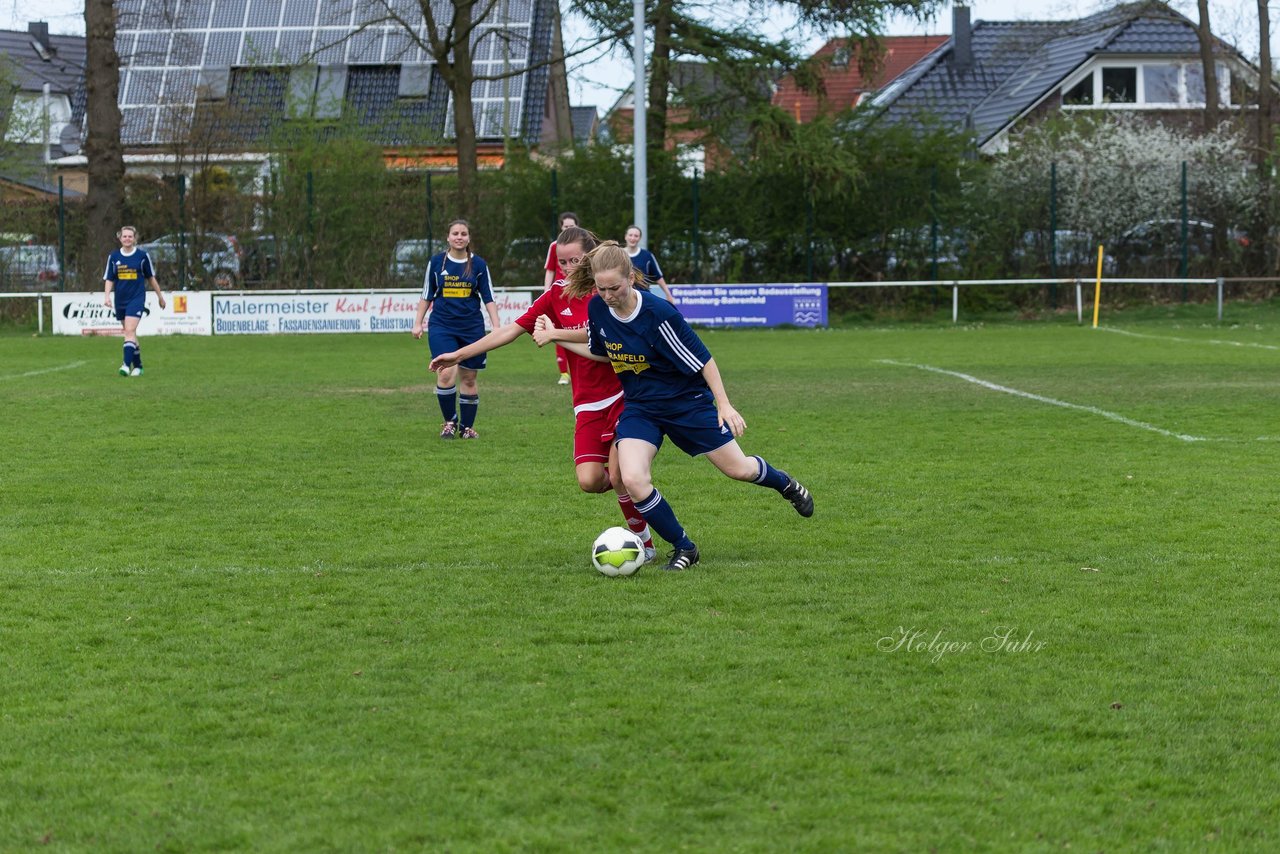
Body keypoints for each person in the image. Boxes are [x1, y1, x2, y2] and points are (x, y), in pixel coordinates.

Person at [549, 241, 813, 571]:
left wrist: (725, 405)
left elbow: (704, 361)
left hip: (686, 404)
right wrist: (557, 337)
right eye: (601, 289)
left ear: (630, 278)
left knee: (739, 469)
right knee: (632, 478)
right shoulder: (599, 308)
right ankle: (684, 547)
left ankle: (785, 483)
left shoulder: (659, 315)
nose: (607, 295)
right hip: (642, 408)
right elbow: (605, 353)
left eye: (614, 287)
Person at [429, 226, 658, 560]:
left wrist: (555, 334)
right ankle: (637, 491)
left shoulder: (610, 291)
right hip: (587, 402)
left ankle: (646, 545)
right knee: (590, 480)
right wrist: (460, 353)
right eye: (562, 262)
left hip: (628, 395)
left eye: (574, 260)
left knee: (622, 474)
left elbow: (609, 341)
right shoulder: (556, 295)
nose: (567, 268)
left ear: (591, 255)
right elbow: (510, 330)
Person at [412, 219, 501, 440]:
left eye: (463, 233)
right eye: (455, 233)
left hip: (472, 328)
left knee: (469, 378)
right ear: (448, 237)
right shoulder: (436, 263)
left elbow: (488, 297)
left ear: (469, 238)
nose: (459, 237)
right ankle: (449, 422)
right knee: (445, 373)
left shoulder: (478, 265)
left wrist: (497, 326)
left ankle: (467, 428)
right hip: (442, 326)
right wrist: (417, 322)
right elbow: (426, 295)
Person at [103, 225, 165, 377]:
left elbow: (151, 278)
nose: (127, 239)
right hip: (120, 299)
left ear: (134, 238)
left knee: (129, 330)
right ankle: (138, 366)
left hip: (136, 298)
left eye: (130, 236)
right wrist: (107, 296)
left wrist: (160, 296)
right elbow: (109, 278)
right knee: (130, 333)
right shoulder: (114, 257)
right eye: (124, 236)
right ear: (120, 238)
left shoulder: (142, 256)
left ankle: (125, 365)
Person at [543, 211, 579, 385]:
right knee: (558, 331)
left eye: (571, 226)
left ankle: (582, 368)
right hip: (560, 296)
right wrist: (546, 291)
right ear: (561, 227)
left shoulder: (584, 246)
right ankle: (564, 373)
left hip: (578, 293)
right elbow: (550, 269)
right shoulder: (554, 246)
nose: (568, 229)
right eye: (566, 226)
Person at [623, 224, 675, 303]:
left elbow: (658, 277)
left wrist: (668, 295)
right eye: (630, 235)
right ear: (625, 237)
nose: (633, 238)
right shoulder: (618, 254)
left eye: (636, 236)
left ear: (639, 238)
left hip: (643, 298)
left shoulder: (647, 256)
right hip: (623, 297)